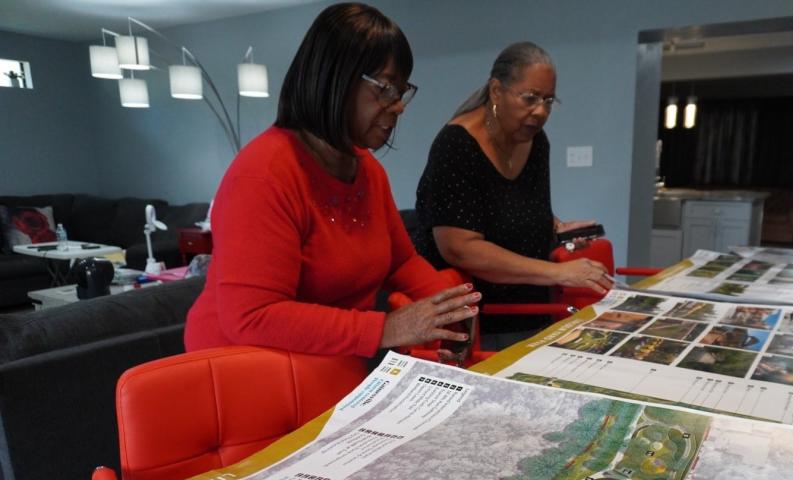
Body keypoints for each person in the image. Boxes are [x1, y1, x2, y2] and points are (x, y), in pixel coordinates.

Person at [185, 2, 479, 359]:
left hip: (321, 366)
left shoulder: (365, 169)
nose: (398, 106)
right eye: (386, 88)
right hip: (242, 374)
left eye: (401, 92)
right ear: (334, 80)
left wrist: (449, 309)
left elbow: (399, 262)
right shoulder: (263, 175)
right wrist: (388, 328)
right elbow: (252, 317)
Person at [412, 41, 612, 347]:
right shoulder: (457, 146)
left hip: (532, 309)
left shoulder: (536, 141)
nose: (541, 111)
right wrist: (559, 273)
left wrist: (554, 226)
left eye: (548, 101)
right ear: (496, 91)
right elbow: (460, 248)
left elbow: (516, 206)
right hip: (475, 324)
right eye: (530, 98)